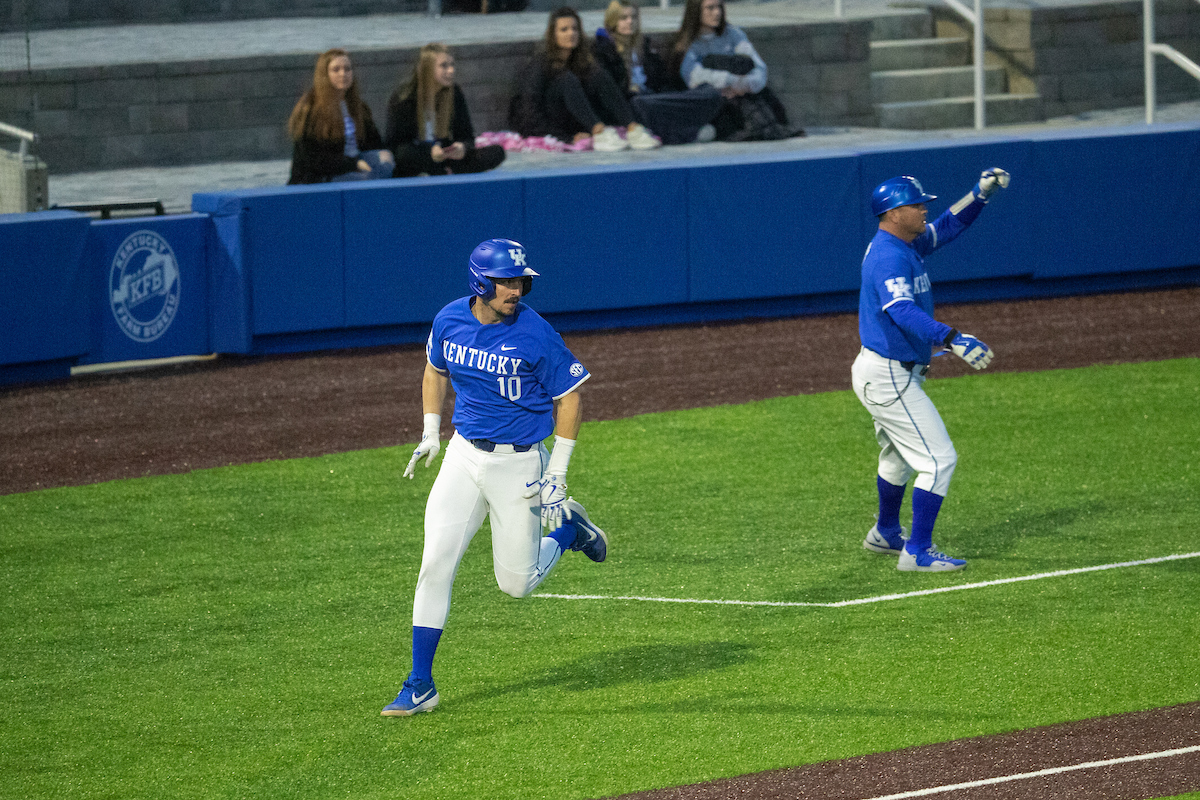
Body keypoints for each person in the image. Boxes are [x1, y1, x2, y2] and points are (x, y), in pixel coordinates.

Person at [382, 238, 609, 717]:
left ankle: (570, 531)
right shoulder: (449, 319)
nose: (517, 290)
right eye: (507, 281)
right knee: (434, 564)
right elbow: (434, 369)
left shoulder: (535, 331)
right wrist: (429, 431)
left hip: (520, 463)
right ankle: (420, 683)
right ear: (481, 282)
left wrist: (559, 473)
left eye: (520, 280)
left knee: (517, 585)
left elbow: (569, 399)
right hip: (463, 457)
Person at [852, 169, 1010, 572]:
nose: (924, 210)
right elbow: (901, 311)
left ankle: (886, 532)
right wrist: (952, 338)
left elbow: (948, 226)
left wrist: (978, 195)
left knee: (898, 458)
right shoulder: (890, 255)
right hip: (889, 376)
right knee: (939, 461)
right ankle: (917, 552)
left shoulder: (905, 244)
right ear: (891, 213)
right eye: (916, 205)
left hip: (884, 371)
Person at [508, 6, 660, 152]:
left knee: (597, 75)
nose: (571, 34)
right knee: (566, 79)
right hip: (551, 125)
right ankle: (599, 133)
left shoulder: (582, 61)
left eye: (575, 29)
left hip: (577, 121)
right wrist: (566, 137)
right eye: (564, 30)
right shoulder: (540, 65)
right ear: (553, 35)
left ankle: (633, 128)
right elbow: (529, 113)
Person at [593, 0, 724, 145]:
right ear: (613, 21)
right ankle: (690, 133)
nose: (630, 22)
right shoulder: (603, 50)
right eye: (624, 18)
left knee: (710, 93)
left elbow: (664, 82)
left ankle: (686, 129)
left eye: (634, 17)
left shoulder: (646, 47)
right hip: (631, 106)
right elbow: (610, 92)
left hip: (658, 99)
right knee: (641, 104)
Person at [673, 0, 793, 141]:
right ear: (696, 11)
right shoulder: (690, 42)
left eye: (719, 7)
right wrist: (730, 81)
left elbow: (759, 68)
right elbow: (693, 76)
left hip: (743, 92)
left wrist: (743, 84)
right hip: (716, 99)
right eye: (710, 8)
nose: (717, 12)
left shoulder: (733, 34)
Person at [384, 43, 506, 178]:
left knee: (497, 152)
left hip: (446, 154)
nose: (451, 71)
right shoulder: (404, 97)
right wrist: (428, 152)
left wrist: (462, 147)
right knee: (405, 156)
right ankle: (442, 172)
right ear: (427, 69)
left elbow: (466, 136)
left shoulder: (455, 93)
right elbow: (395, 146)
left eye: (452, 65)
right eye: (444, 66)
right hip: (419, 156)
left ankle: (445, 171)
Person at [287, 48, 394, 184]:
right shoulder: (311, 109)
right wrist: (352, 165)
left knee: (384, 161)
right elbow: (312, 160)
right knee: (364, 179)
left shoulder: (358, 106)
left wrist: (383, 155)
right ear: (325, 74)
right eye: (336, 70)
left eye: (347, 69)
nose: (343, 74)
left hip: (354, 161)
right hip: (321, 175)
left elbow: (373, 142)